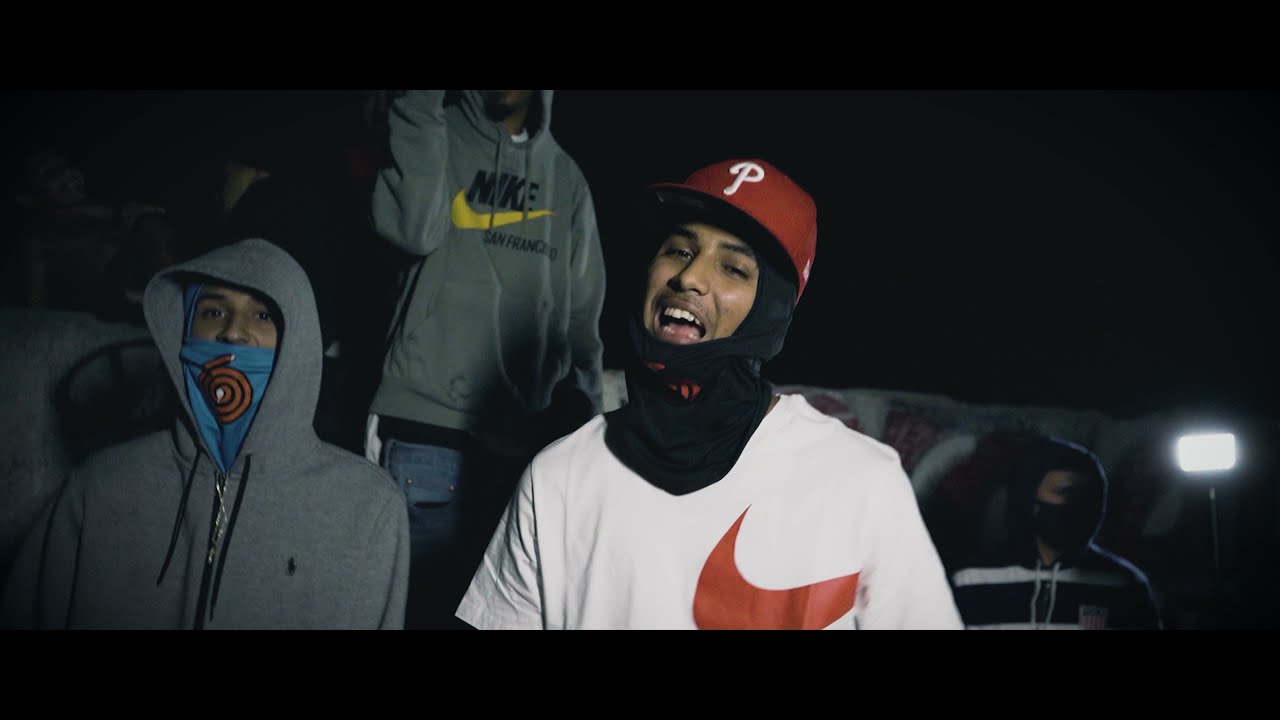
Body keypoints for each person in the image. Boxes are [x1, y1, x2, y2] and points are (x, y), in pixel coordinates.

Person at [455, 158, 964, 629]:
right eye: (679, 250)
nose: (689, 277)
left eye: (733, 268)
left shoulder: (860, 484)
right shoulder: (557, 479)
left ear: (772, 308)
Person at [0, 238, 409, 629]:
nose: (233, 332)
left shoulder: (366, 508)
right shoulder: (99, 488)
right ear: (182, 331)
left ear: (298, 341)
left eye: (263, 315)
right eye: (213, 312)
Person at [366, 90, 606, 629]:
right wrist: (417, 106)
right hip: (427, 433)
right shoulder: (432, 129)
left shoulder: (566, 178)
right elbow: (412, 229)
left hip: (524, 449)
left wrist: (587, 432)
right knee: (418, 616)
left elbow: (582, 318)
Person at [948, 435, 1163, 630]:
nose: (1077, 506)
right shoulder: (971, 579)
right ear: (1028, 497)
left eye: (1088, 496)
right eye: (1065, 493)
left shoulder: (1124, 584)